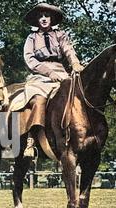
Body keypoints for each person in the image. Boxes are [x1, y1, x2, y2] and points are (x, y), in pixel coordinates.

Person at [21, 3, 84, 157]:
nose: (43, 19)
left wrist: (75, 63)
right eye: (40, 16)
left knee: (77, 94)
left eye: (46, 16)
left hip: (61, 72)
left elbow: (68, 50)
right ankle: (31, 140)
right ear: (37, 19)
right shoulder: (32, 38)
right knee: (38, 99)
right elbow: (30, 59)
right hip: (40, 75)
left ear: (52, 18)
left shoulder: (60, 35)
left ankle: (77, 132)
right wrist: (48, 72)